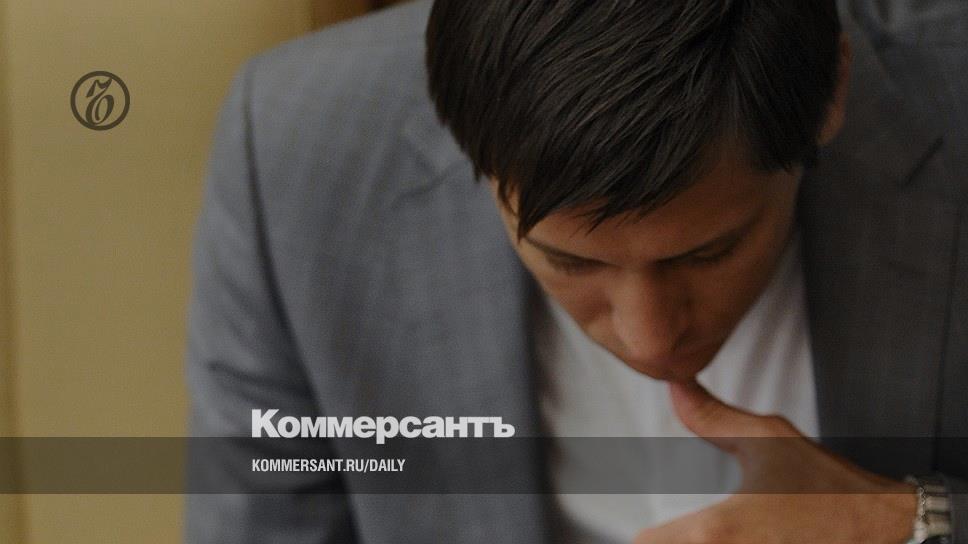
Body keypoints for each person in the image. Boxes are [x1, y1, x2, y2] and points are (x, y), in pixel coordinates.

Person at [185, 1, 968, 542]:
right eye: (569, 260)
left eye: (708, 252)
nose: (650, 339)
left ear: (830, 95)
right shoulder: (294, 153)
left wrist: (911, 521)